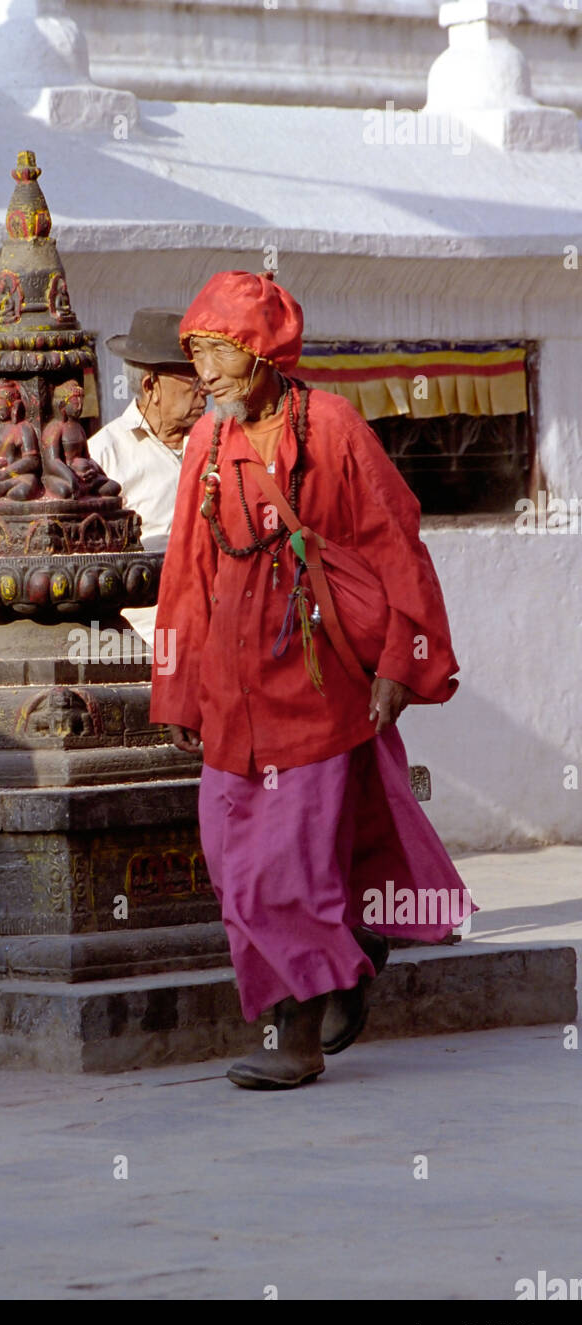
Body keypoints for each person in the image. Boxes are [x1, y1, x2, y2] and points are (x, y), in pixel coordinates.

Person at [149, 270, 474, 1091]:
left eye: (219, 354)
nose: (207, 374)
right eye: (198, 356)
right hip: (229, 695)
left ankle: (294, 1040)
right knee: (231, 866)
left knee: (285, 870)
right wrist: (176, 689)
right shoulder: (205, 448)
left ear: (263, 354)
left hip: (316, 683)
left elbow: (397, 544)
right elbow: (185, 576)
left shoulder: (328, 426)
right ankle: (347, 955)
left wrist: (402, 661)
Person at [89, 308, 207, 647]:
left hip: (218, 634)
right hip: (148, 639)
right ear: (150, 385)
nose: (206, 391)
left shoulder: (216, 444)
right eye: (193, 380)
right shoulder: (103, 456)